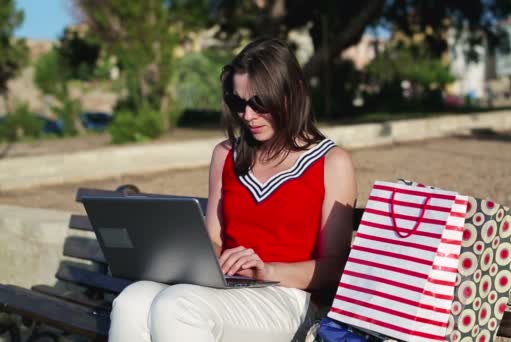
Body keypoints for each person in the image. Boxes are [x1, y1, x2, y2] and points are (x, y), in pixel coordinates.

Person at [108, 38, 357, 342]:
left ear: (291, 93)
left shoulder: (332, 162)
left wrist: (266, 270)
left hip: (293, 298)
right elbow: (213, 238)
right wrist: (197, 260)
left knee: (178, 306)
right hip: (225, 288)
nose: (247, 115)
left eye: (259, 103)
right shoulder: (226, 155)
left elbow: (334, 267)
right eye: (239, 103)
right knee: (132, 301)